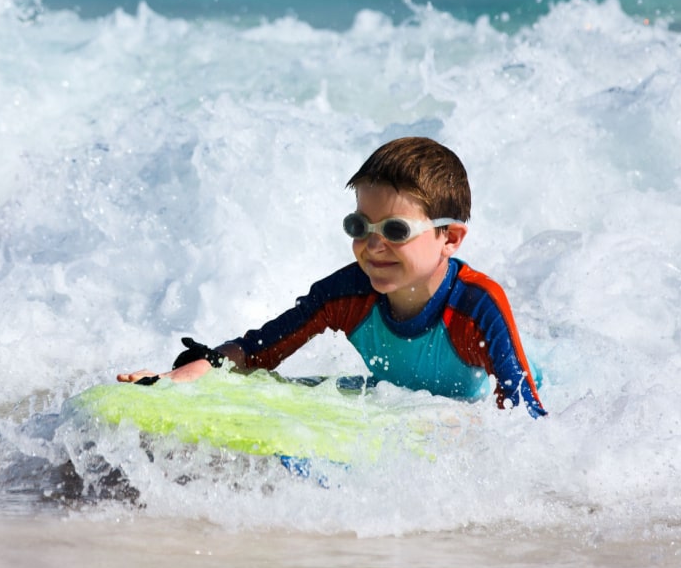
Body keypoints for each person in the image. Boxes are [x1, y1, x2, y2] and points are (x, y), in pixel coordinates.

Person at [119, 137, 547, 417]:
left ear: (449, 237)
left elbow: (524, 416)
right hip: (397, 402)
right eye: (359, 227)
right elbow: (259, 352)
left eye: (396, 230)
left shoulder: (476, 308)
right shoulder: (347, 294)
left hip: (470, 404)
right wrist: (184, 377)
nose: (372, 246)